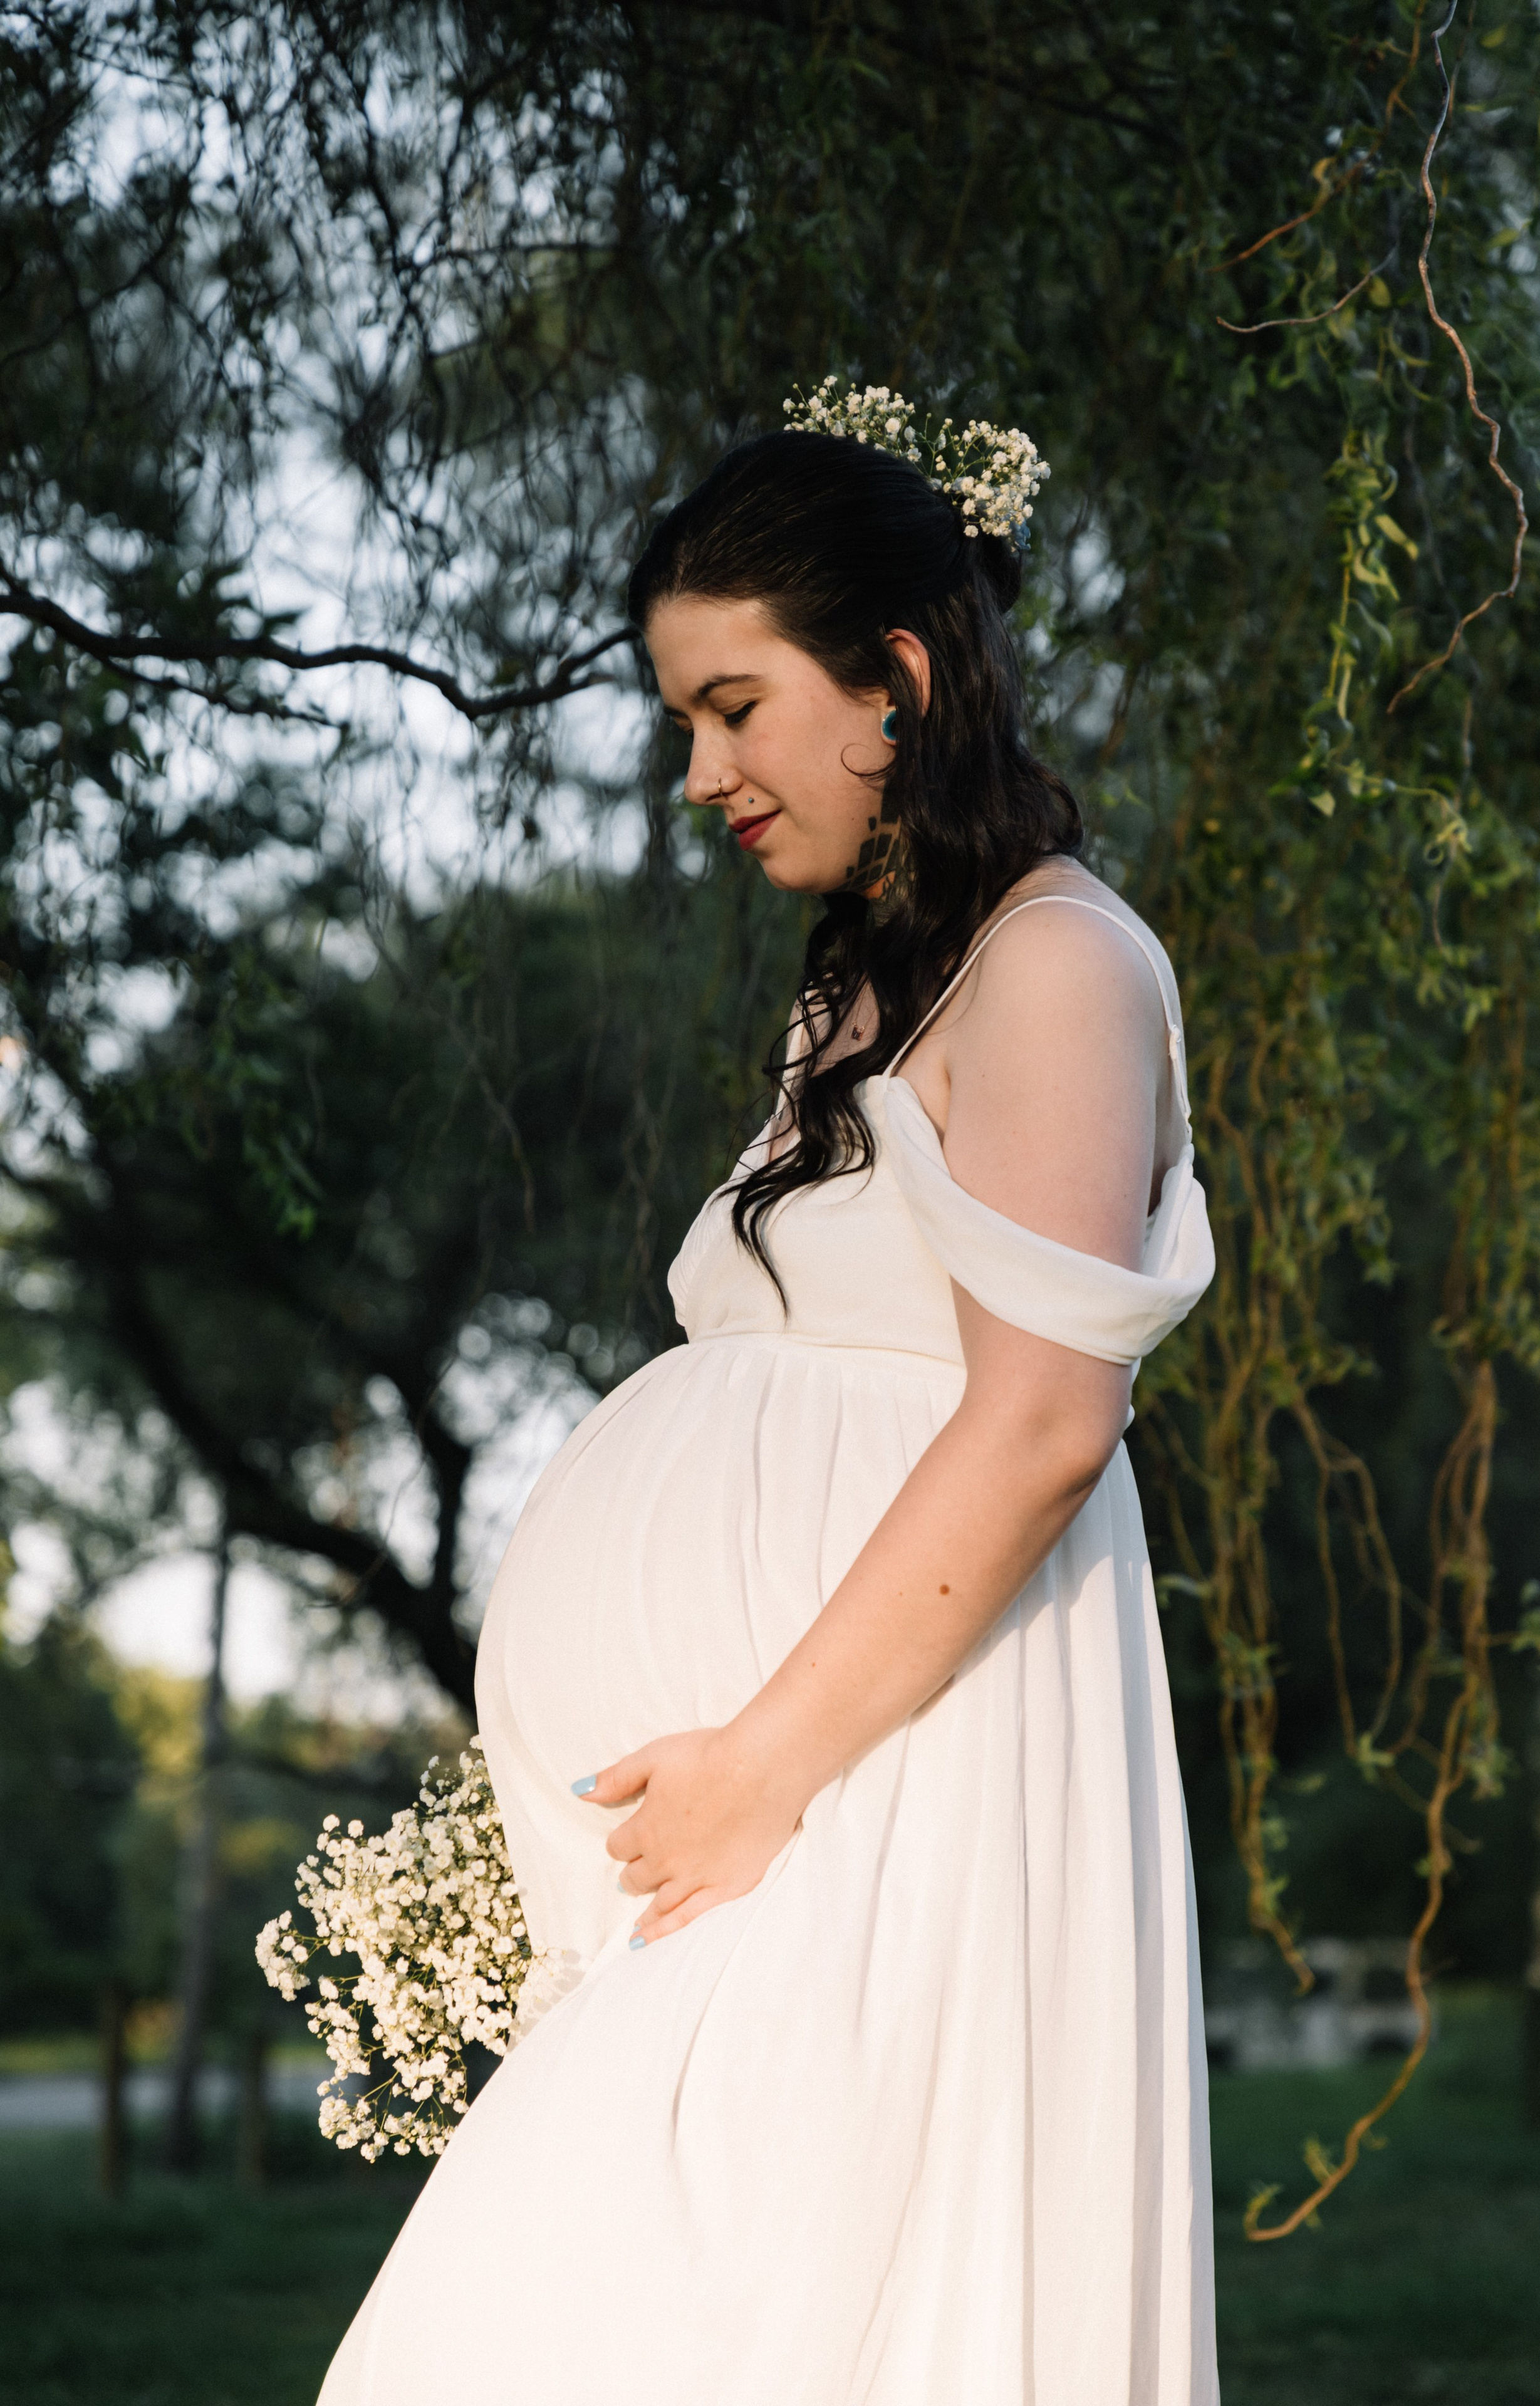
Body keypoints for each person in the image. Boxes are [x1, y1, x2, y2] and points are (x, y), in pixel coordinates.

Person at [317, 395, 1219, 2406]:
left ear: (894, 680)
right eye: (682, 721)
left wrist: (758, 1769)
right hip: (789, 1805)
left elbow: (1044, 1420)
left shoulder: (1062, 963)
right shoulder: (866, 989)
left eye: (734, 707)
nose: (700, 771)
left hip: (871, 1785)